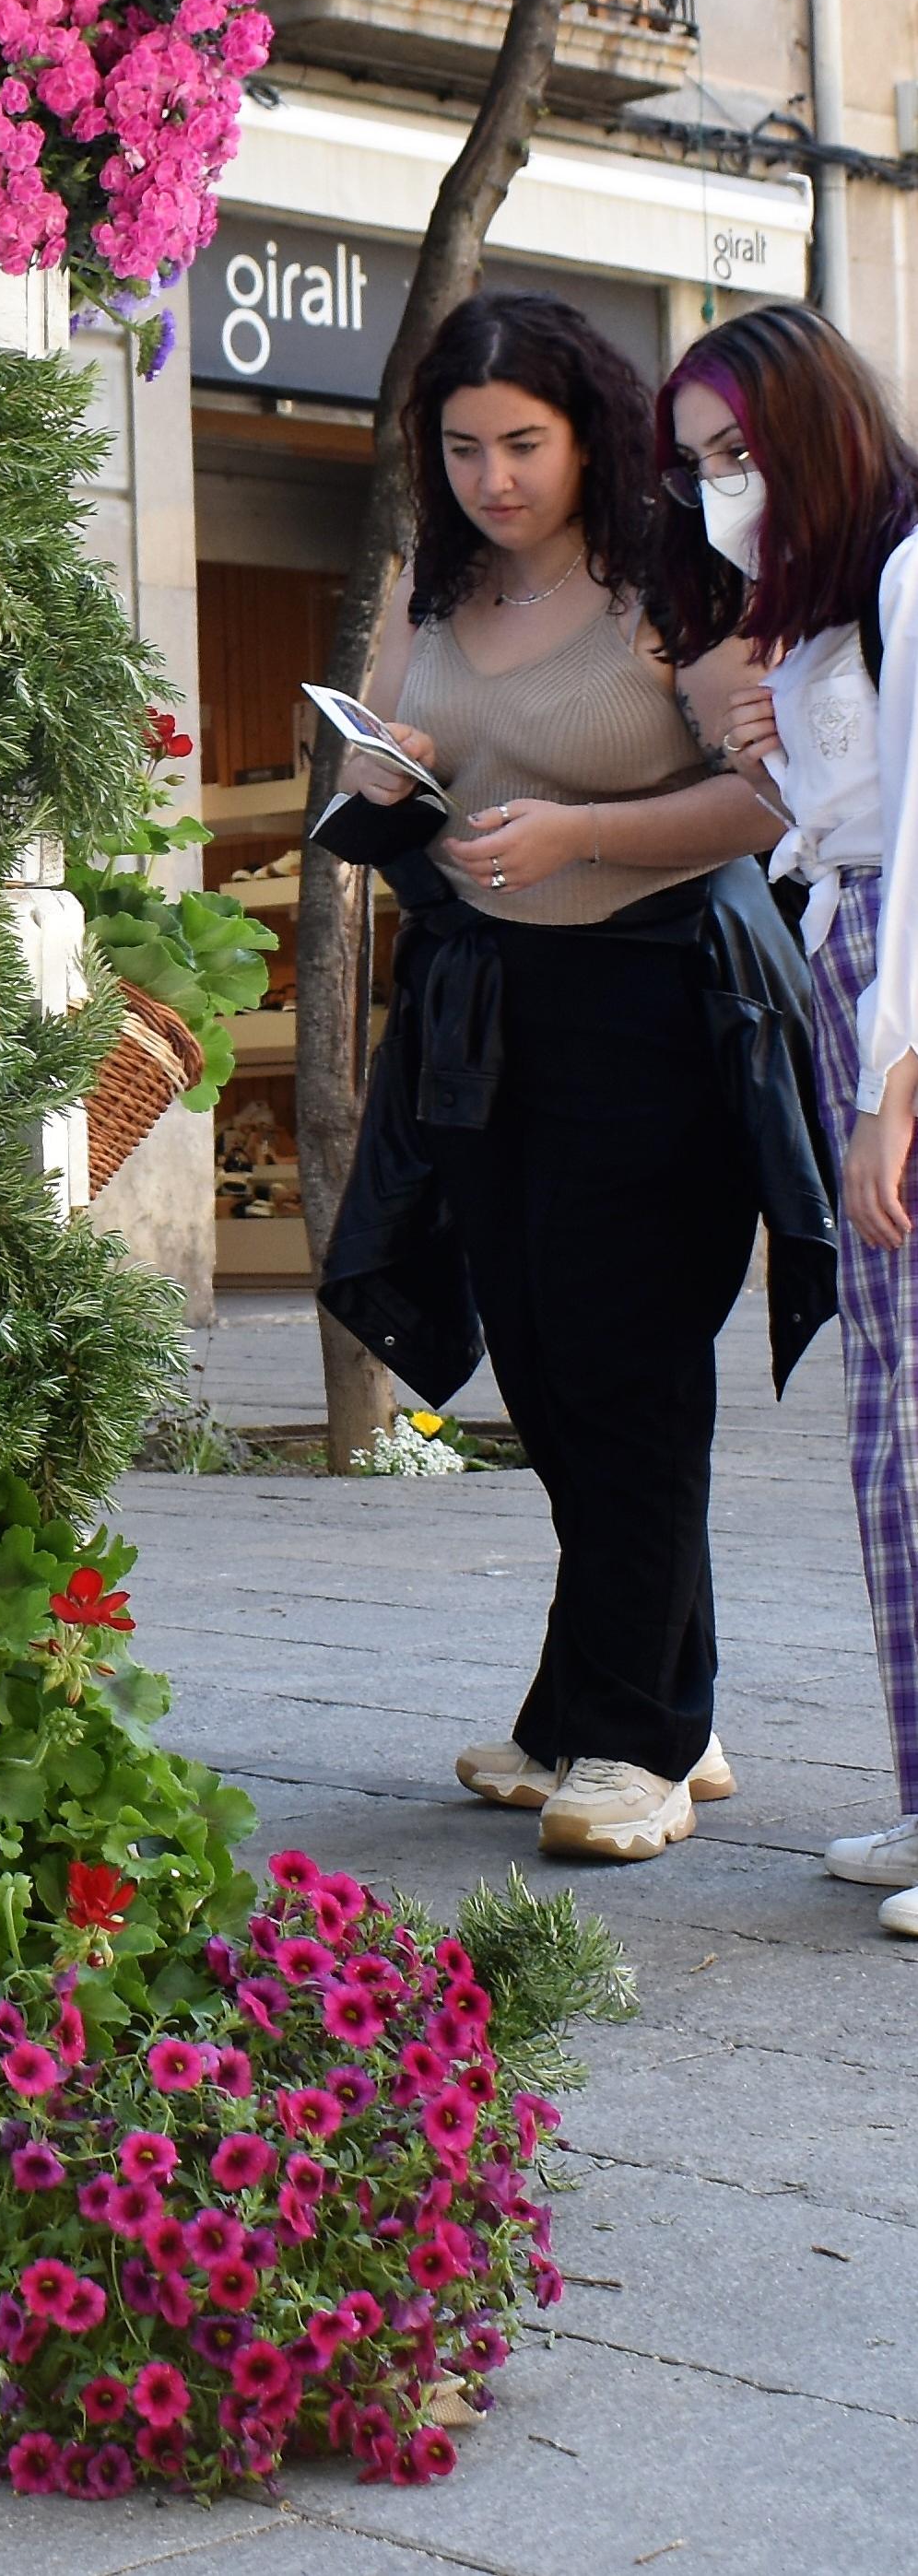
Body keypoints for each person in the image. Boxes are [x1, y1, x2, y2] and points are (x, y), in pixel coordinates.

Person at [318, 292, 836, 1865]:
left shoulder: (671, 584)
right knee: (539, 1358)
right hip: (482, 1010)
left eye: (521, 444)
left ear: (587, 432)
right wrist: (377, 779)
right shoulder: (433, 581)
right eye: (462, 445)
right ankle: (605, 1700)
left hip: (655, 999)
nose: (491, 477)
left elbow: (766, 801)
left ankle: (641, 1742)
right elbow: (412, 765)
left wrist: (581, 833)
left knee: (624, 1360)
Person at [655, 301, 918, 1936]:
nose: (714, 492)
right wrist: (758, 744)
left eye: (736, 455)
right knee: (886, 1423)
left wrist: (894, 1082)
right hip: (854, 973)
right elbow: (829, 835)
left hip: (899, 998)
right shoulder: (824, 615)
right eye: (695, 467)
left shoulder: (902, 576)